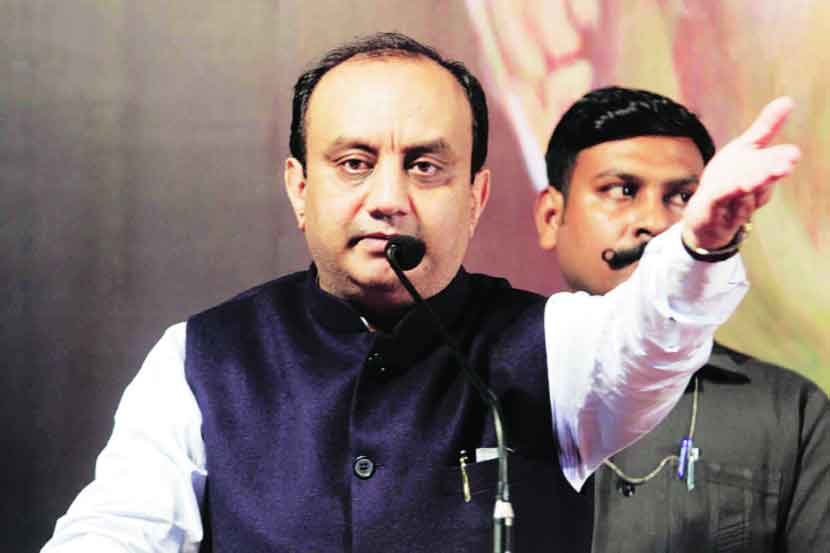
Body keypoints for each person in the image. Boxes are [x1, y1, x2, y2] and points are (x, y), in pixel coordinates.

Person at [42, 34, 799, 552]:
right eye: (354, 163)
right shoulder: (201, 357)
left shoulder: (553, 344)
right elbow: (119, 529)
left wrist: (702, 246)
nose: (388, 199)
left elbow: (649, 343)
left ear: (476, 197)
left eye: (426, 167)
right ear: (299, 188)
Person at [534, 86, 830, 552]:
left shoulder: (790, 413)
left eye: (682, 197)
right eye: (622, 190)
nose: (654, 222)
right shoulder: (482, 389)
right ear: (552, 216)